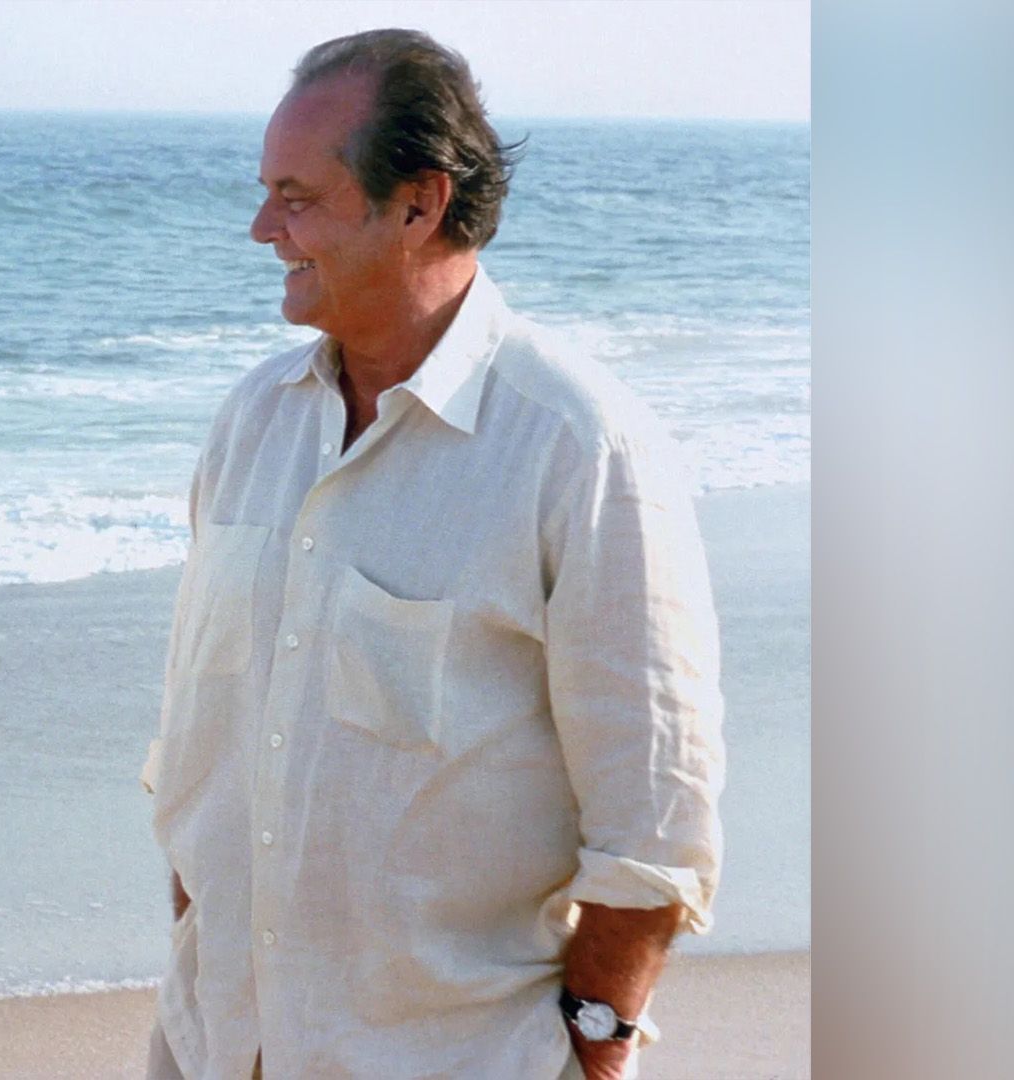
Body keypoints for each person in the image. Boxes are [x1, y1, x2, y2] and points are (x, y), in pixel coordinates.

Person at [141, 30, 724, 1080]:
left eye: (296, 197)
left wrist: (595, 1042)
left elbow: (655, 817)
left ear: (418, 202)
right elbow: (206, 738)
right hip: (215, 1042)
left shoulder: (576, 445)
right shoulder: (252, 424)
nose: (262, 227)